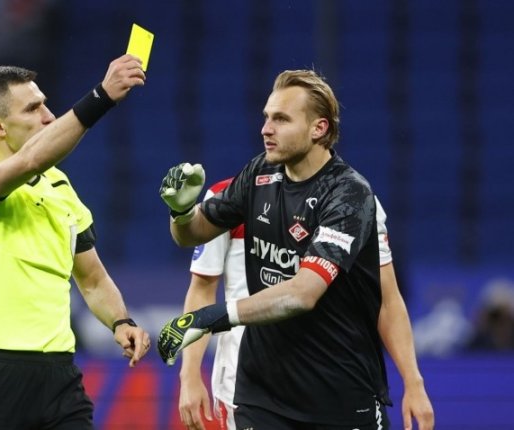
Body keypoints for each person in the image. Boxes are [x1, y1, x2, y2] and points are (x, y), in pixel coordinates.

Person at [158, 69, 435, 429]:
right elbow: (191, 234)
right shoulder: (258, 174)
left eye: (281, 119)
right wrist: (180, 211)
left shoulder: (350, 196)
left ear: (318, 128)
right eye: (266, 117)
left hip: (339, 392)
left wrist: (413, 381)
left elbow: (308, 294)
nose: (266, 129)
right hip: (261, 395)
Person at [0, 54, 151, 430]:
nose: (49, 116)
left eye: (45, 104)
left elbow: (92, 279)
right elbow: (29, 162)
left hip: (59, 376)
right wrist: (102, 96)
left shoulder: (61, 188)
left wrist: (121, 321)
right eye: (33, 108)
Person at [178, 180, 433, 430]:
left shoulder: (355, 201)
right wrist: (189, 373)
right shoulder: (228, 197)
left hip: (335, 384)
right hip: (249, 390)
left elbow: (387, 300)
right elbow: (202, 289)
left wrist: (413, 381)